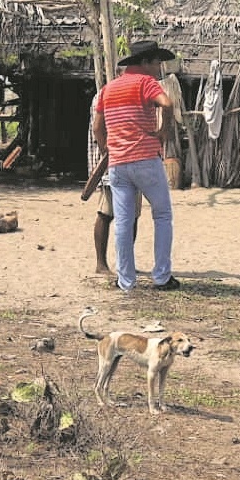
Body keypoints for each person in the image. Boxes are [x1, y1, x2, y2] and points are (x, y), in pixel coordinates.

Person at [92, 40, 177, 292]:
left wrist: (107, 147)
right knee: (162, 215)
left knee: (123, 221)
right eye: (157, 62)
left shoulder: (109, 88)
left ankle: (125, 281)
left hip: (118, 164)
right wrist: (163, 130)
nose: (160, 68)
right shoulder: (146, 83)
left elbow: (97, 127)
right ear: (145, 63)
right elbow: (168, 104)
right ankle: (161, 276)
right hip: (146, 159)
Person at [88, 87, 139, 275]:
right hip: (113, 164)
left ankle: (124, 261)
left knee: (132, 216)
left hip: (134, 162)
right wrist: (109, 155)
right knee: (106, 213)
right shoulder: (105, 95)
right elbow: (98, 129)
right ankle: (101, 264)